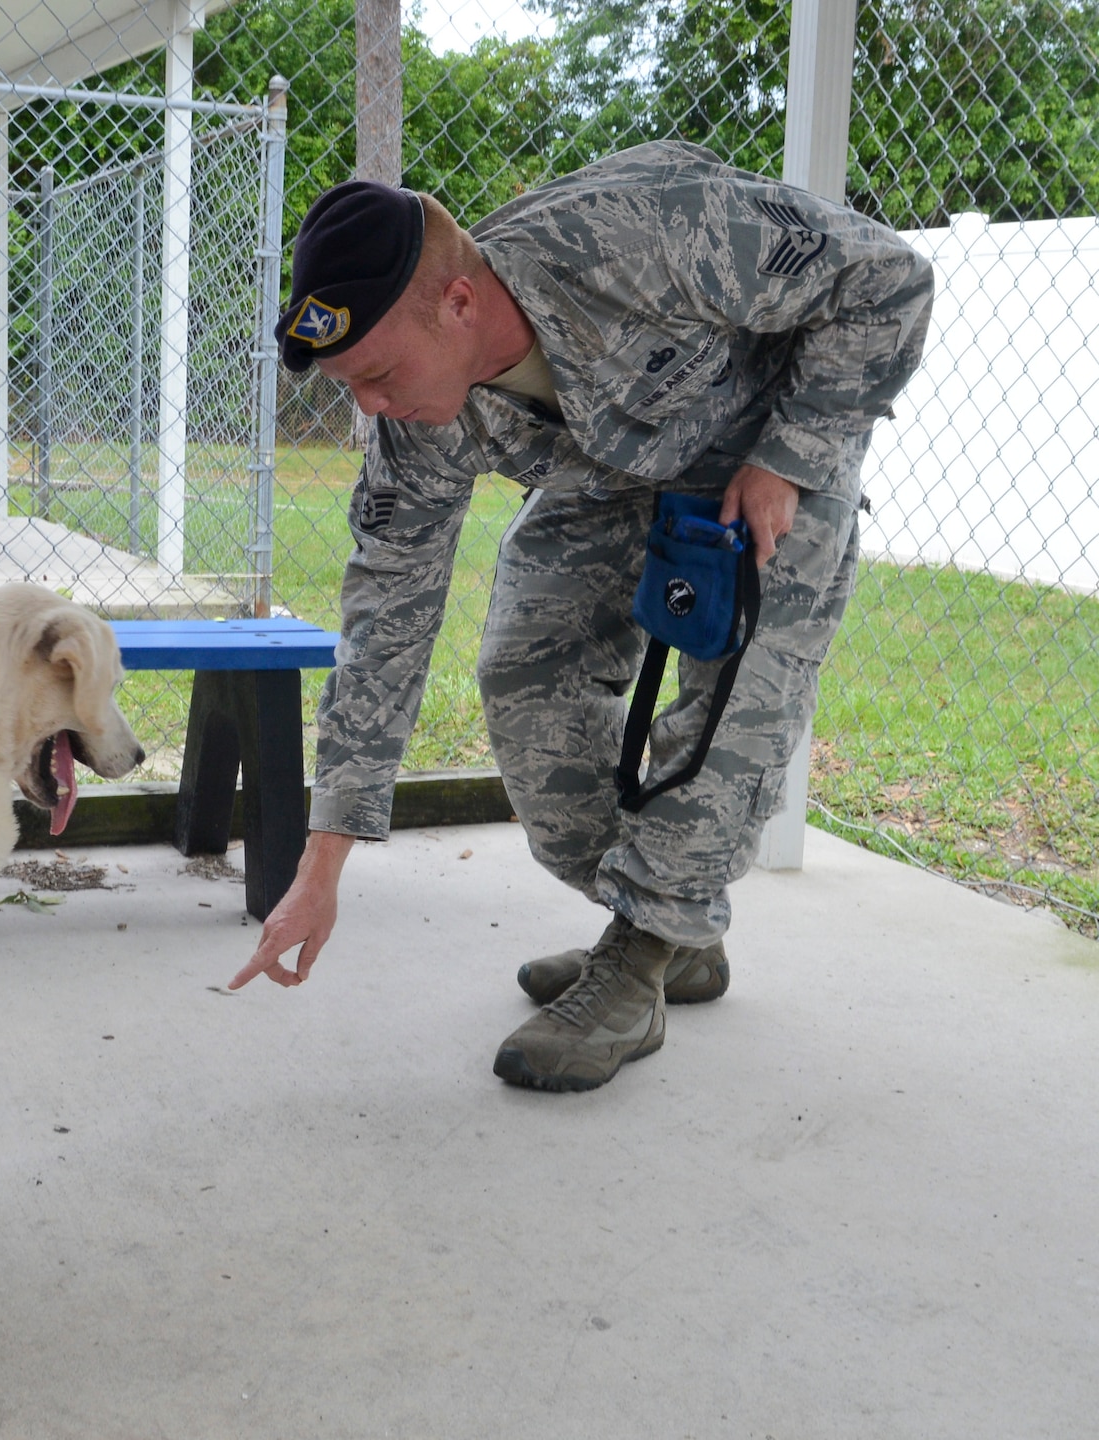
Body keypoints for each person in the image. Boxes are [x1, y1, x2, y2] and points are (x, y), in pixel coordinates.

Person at [229, 140, 933, 1093]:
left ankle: (645, 958)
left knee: (737, 698)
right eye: (351, 384)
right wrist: (322, 867)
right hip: (610, 479)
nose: (371, 405)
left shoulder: (646, 233)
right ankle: (665, 930)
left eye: (378, 373)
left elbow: (887, 280)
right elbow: (386, 615)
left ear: (459, 301)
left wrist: (794, 453)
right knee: (525, 672)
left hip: (767, 446)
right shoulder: (414, 425)